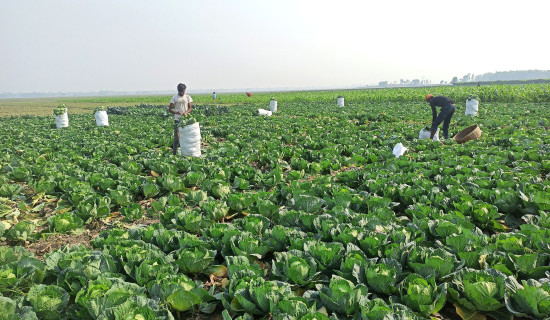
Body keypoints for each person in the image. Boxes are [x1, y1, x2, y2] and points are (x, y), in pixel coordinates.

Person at [169, 83, 193, 155]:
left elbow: (190, 108)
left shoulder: (187, 97)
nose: (182, 93)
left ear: (185, 90)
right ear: (178, 91)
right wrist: (176, 112)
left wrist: (186, 112)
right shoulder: (174, 98)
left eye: (183, 91)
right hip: (177, 119)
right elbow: (170, 109)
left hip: (186, 120)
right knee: (177, 138)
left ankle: (186, 153)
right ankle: (174, 153)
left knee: (187, 137)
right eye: (181, 92)